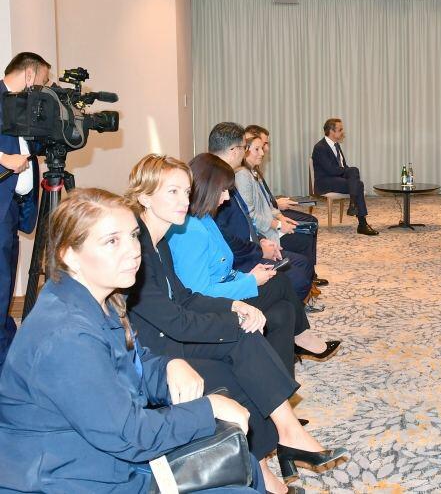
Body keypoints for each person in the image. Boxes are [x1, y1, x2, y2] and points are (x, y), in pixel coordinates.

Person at [0, 188, 265, 493]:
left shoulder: (99, 299)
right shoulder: (66, 335)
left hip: (102, 458)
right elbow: (130, 436)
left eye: (133, 236)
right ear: (69, 254)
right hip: (66, 479)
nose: (133, 251)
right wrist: (208, 409)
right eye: (112, 241)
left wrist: (168, 366)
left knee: (243, 462)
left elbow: (129, 365)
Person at [126, 154, 347, 491]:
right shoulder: (136, 247)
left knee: (248, 341)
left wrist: (234, 306)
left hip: (171, 336)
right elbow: (174, 321)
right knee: (240, 358)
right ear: (144, 196)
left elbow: (185, 297)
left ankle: (282, 448)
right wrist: (234, 319)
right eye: (172, 192)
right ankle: (275, 459)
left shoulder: (158, 240)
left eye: (185, 191)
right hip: (156, 356)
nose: (184, 200)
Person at [167, 153, 337, 374]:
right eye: (223, 190)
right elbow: (200, 294)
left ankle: (279, 382)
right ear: (208, 188)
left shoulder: (204, 218)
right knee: (280, 282)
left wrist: (247, 275)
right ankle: (303, 337)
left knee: (284, 310)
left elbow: (223, 269)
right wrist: (250, 281)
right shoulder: (191, 231)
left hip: (225, 290)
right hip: (211, 308)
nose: (226, 197)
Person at [210, 123, 315, 302]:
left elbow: (247, 219)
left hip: (253, 243)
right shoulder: (220, 182)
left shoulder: (229, 176)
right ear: (234, 150)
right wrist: (260, 250)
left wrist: (262, 240)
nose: (248, 152)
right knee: (296, 279)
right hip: (240, 259)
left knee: (303, 266)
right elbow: (228, 237)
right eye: (245, 148)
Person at [0, 52, 45, 369]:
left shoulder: (23, 106)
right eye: (42, 79)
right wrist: (4, 159)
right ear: (29, 74)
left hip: (15, 208)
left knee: (5, 283)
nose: (42, 87)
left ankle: (9, 355)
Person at [237, 128, 319, 301]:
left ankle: (309, 281)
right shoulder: (243, 175)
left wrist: (281, 218)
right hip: (264, 231)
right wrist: (279, 225)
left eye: (262, 147)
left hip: (270, 223)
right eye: (258, 149)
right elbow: (250, 215)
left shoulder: (252, 171)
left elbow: (267, 204)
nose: (263, 152)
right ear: (245, 150)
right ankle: (307, 284)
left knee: (308, 228)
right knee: (304, 238)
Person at [310, 118, 379, 236]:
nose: (343, 132)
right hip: (325, 182)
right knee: (358, 184)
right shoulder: (320, 147)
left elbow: (342, 166)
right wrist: (348, 172)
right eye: (340, 129)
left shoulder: (336, 145)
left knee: (354, 172)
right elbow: (331, 170)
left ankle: (353, 206)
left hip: (336, 178)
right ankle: (361, 222)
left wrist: (348, 172)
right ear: (332, 131)